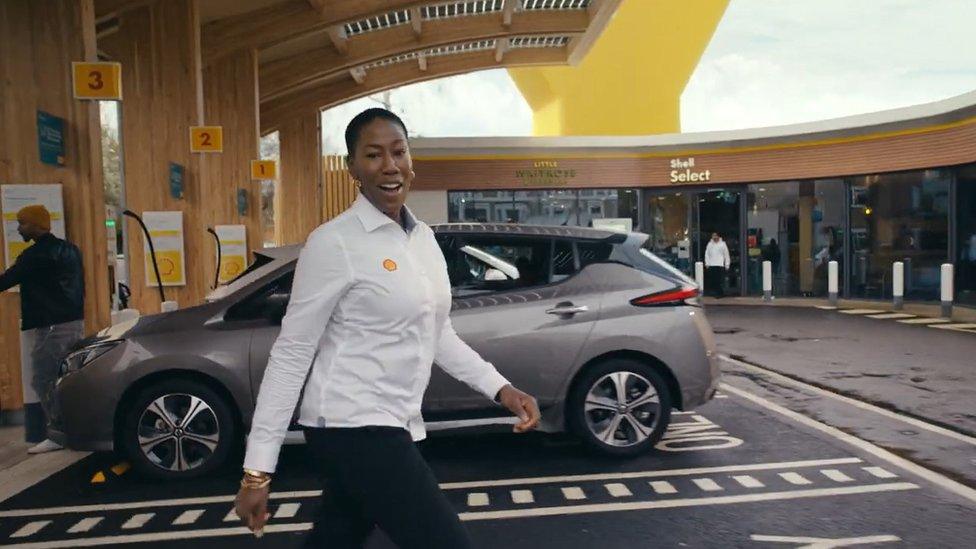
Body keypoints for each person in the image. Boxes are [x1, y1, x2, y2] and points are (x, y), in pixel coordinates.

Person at [235, 108, 541, 548]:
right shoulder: (334, 241)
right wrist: (257, 470)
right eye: (373, 155)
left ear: (411, 159)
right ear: (352, 167)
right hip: (350, 424)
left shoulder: (423, 241)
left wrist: (501, 389)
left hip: (394, 423)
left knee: (337, 538)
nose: (390, 166)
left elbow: (437, 334)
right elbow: (292, 352)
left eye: (398, 152)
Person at [0, 205, 84, 453]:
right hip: (73, 321)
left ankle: (58, 434)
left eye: (23, 223)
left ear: (37, 225)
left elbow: (6, 281)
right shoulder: (70, 250)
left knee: (44, 379)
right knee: (66, 377)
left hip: (50, 325)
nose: (19, 228)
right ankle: (74, 427)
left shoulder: (35, 256)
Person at [704, 231, 731, 298]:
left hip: (720, 264)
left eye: (715, 235)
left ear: (718, 236)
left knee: (719, 280)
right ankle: (717, 293)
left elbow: (726, 255)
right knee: (713, 280)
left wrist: (727, 264)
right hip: (712, 264)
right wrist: (707, 263)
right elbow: (707, 254)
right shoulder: (710, 244)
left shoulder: (723, 244)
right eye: (713, 236)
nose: (714, 237)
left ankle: (720, 293)